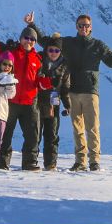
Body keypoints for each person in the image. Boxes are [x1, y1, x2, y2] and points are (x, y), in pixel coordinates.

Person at [27, 12, 112, 172]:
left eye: (86, 25)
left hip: (90, 91)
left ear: (91, 27)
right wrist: (32, 25)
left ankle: (94, 161)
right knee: (77, 128)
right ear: (76, 26)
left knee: (93, 127)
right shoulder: (67, 42)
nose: (83, 28)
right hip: (72, 90)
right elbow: (46, 42)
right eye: (80, 25)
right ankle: (80, 161)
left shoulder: (98, 45)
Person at [0, 14, 50, 171]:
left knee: (33, 136)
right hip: (10, 101)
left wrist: (47, 84)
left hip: (30, 102)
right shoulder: (10, 52)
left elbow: (43, 75)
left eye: (32, 39)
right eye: (26, 38)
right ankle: (2, 163)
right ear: (21, 39)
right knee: (5, 135)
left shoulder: (38, 58)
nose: (29, 41)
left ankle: (29, 163)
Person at [36, 33, 71, 171]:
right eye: (51, 50)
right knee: (35, 133)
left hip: (54, 100)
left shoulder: (64, 66)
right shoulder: (39, 60)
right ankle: (31, 161)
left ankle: (50, 163)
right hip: (38, 99)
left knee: (52, 133)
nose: (53, 53)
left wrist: (68, 105)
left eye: (57, 50)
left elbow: (66, 88)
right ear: (46, 50)